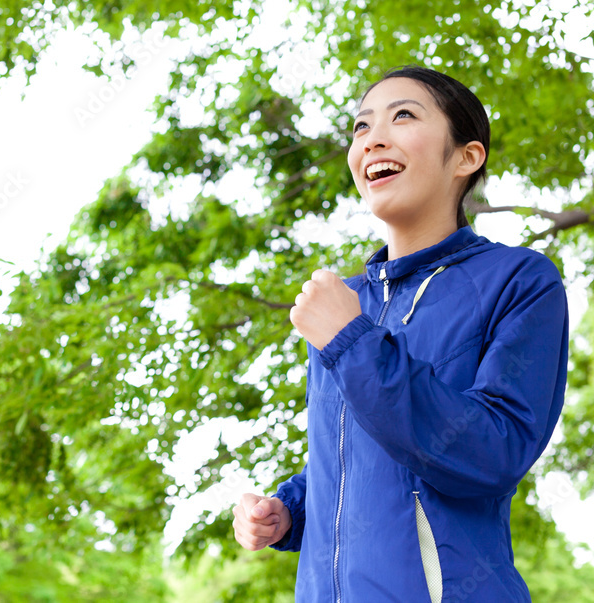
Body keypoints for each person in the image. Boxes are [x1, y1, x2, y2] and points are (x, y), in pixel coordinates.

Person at [231, 66, 568, 601]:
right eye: (361, 127)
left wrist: (351, 342)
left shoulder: (519, 280)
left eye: (403, 115)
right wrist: (289, 510)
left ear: (466, 157)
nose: (373, 139)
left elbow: (493, 451)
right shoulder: (346, 303)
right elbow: (357, 455)